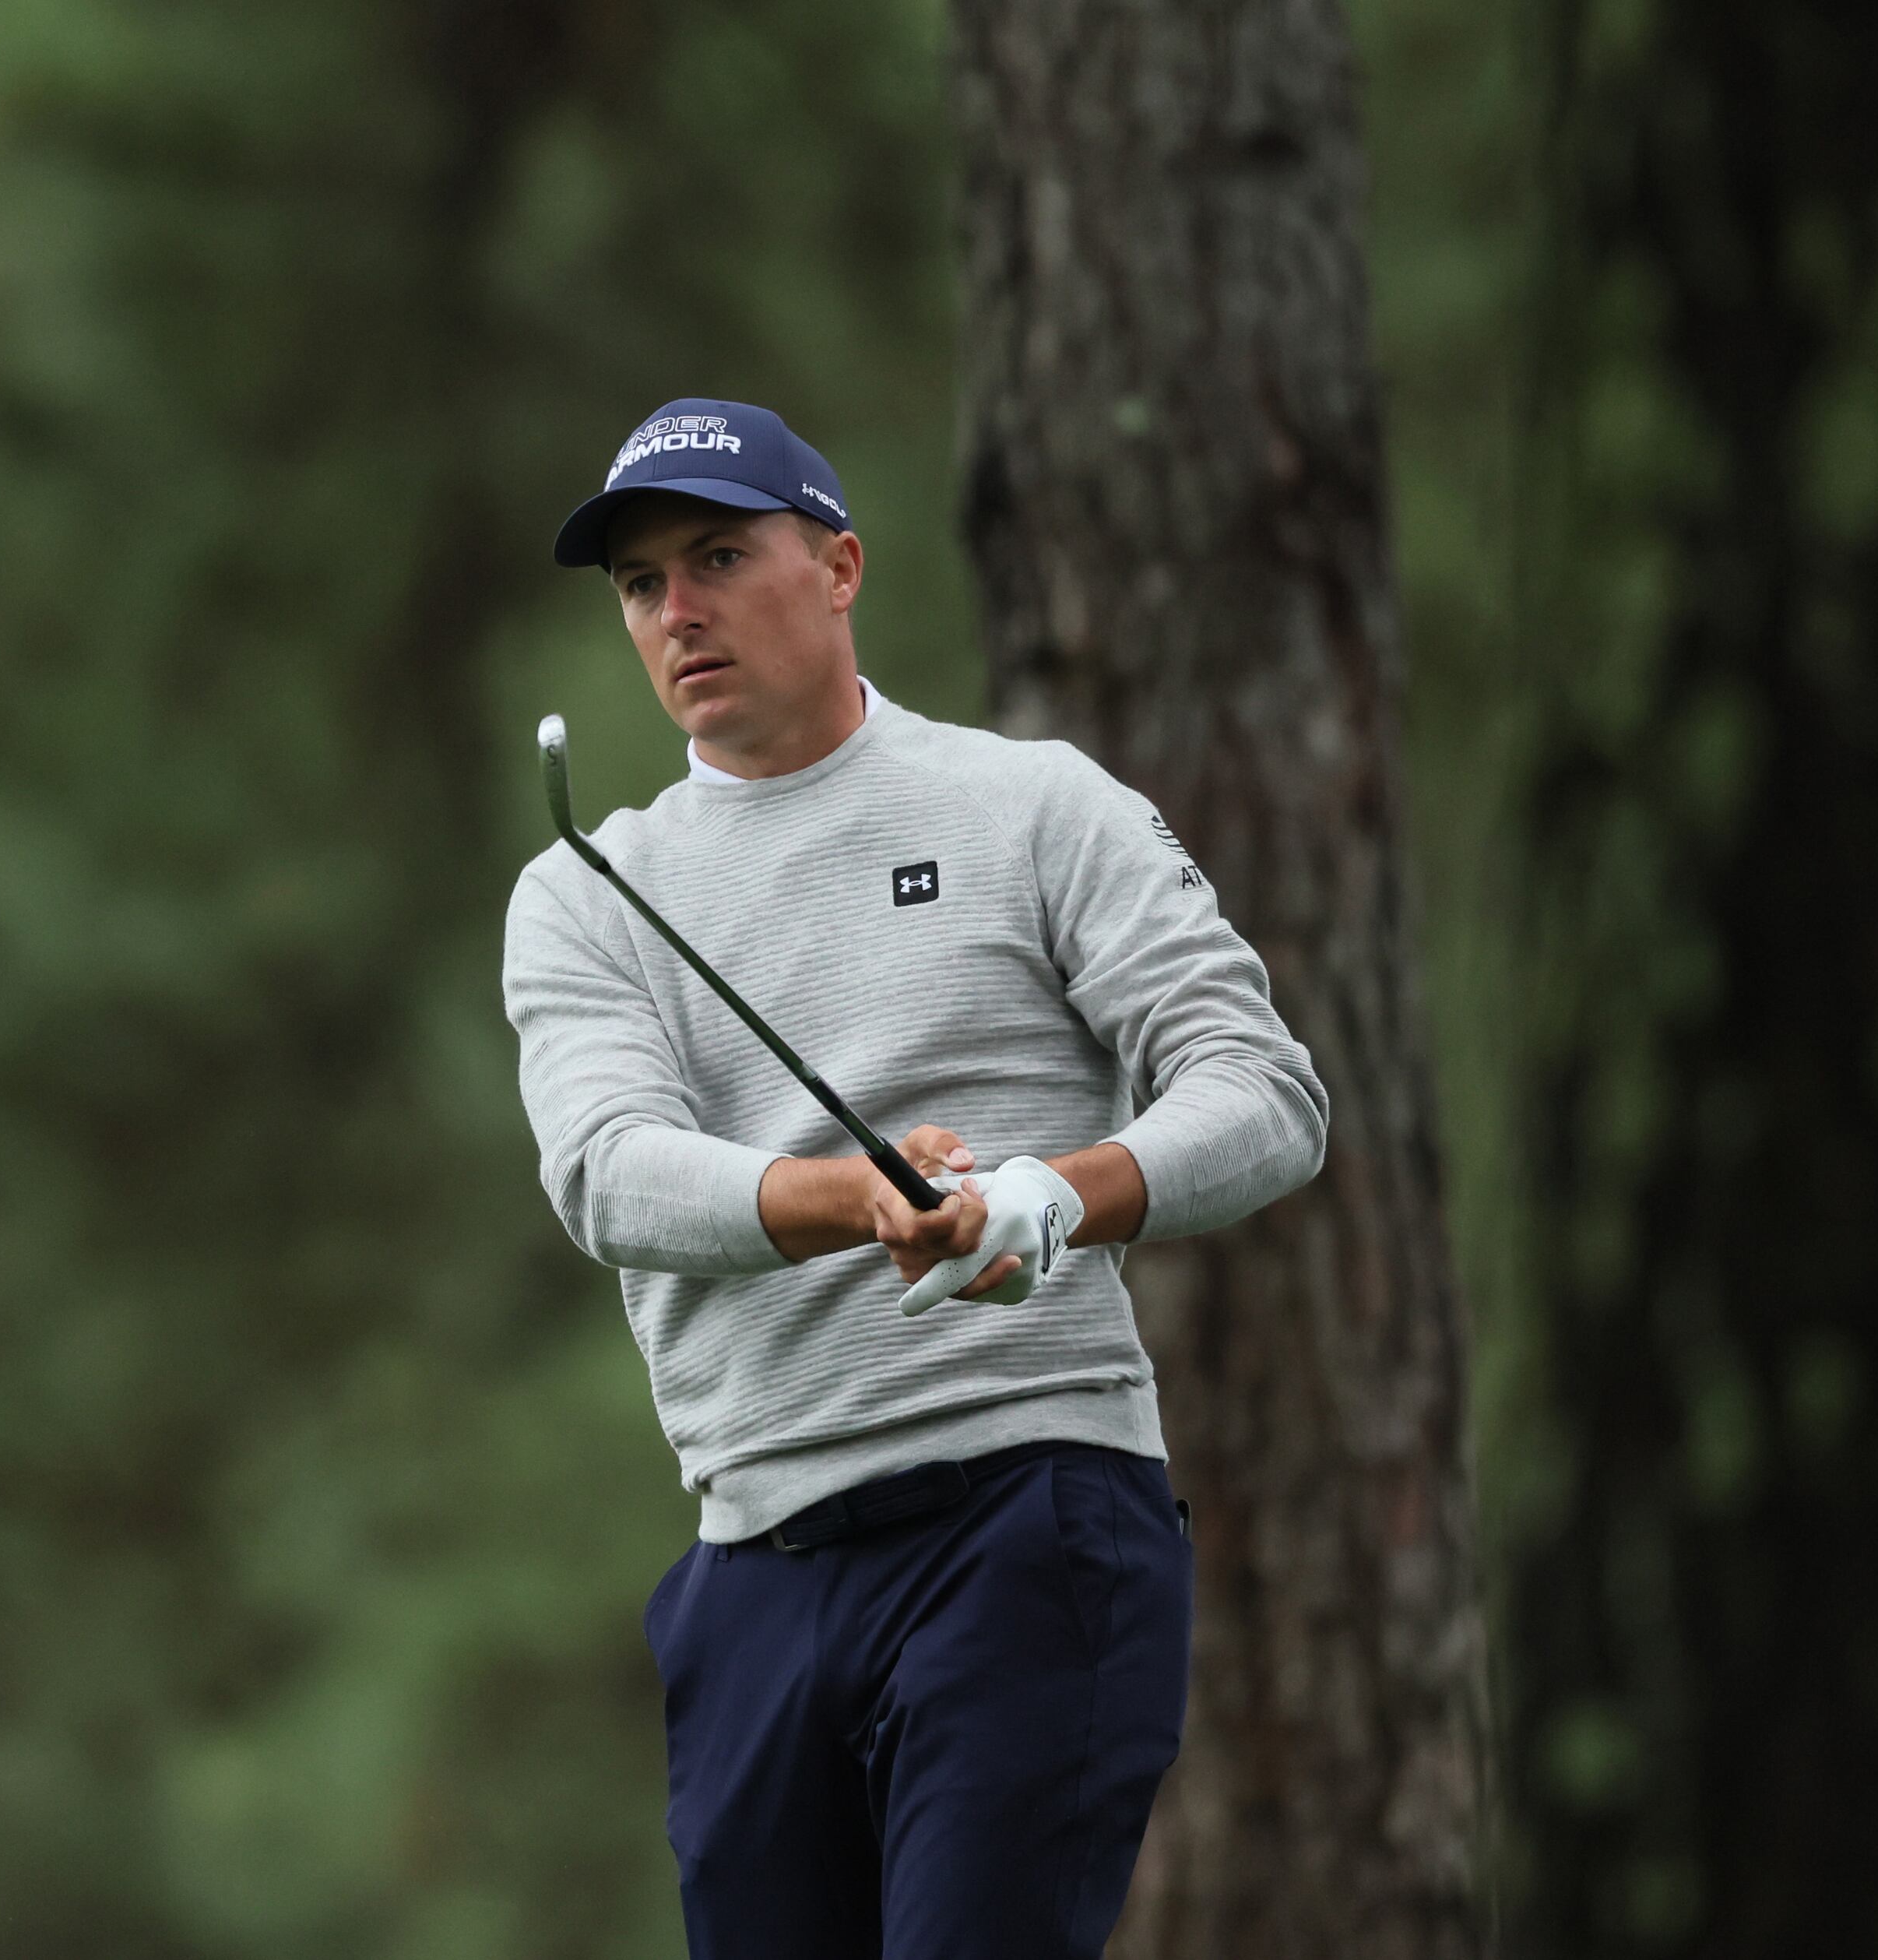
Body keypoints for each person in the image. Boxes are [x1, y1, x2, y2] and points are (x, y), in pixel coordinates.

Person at [501, 399, 1328, 1959]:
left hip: (1028, 1518)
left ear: (840, 568)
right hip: (755, 1566)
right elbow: (608, 1173)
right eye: (639, 582)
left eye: (721, 556)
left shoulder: (1034, 807)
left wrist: (1048, 1196)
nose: (677, 609)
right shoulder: (589, 889)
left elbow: (1264, 1091)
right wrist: (851, 1198)